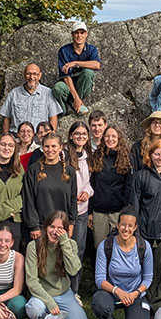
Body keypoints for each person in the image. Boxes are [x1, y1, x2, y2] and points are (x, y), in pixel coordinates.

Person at [24, 210, 91, 319]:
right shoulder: (34, 246)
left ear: (65, 230)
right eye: (52, 227)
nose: (55, 232)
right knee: (34, 308)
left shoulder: (70, 244)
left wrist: (64, 242)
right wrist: (49, 302)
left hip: (63, 293)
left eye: (60, 228)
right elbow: (31, 281)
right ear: (46, 227)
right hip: (42, 294)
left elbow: (73, 270)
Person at [91, 211, 153, 319]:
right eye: (123, 224)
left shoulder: (144, 246)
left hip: (135, 294)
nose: (126, 229)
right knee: (100, 303)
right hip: (111, 292)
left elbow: (148, 278)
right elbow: (100, 279)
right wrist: (118, 291)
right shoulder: (106, 245)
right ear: (118, 225)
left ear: (135, 227)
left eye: (130, 226)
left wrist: (135, 293)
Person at [23, 132, 77, 240]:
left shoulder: (69, 172)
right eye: (46, 146)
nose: (50, 150)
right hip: (41, 227)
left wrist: (71, 223)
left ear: (60, 147)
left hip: (63, 227)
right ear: (42, 148)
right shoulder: (33, 171)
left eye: (54, 146)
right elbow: (28, 200)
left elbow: (73, 199)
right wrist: (34, 226)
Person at [129, 139, 161, 246]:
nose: (160, 158)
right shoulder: (141, 176)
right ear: (150, 154)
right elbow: (134, 203)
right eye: (157, 154)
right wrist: (136, 226)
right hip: (146, 228)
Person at [89, 124, 133, 248]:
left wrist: (126, 210)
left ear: (119, 138)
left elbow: (128, 187)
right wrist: (90, 212)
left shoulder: (127, 158)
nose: (110, 139)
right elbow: (92, 185)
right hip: (99, 211)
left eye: (114, 136)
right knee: (99, 246)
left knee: (119, 246)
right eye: (107, 136)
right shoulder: (96, 157)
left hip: (118, 211)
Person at [66, 121, 96, 291]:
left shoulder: (87, 156)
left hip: (82, 211)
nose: (80, 137)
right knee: (64, 250)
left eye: (84, 134)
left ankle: (74, 290)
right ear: (71, 135)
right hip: (65, 210)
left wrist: (87, 192)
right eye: (77, 134)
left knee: (78, 250)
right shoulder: (63, 154)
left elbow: (89, 183)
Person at [52, 20, 101, 116]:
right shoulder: (64, 50)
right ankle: (65, 110)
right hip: (69, 85)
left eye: (82, 33)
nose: (79, 36)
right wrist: (75, 97)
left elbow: (96, 65)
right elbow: (66, 76)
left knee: (88, 72)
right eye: (76, 33)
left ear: (86, 34)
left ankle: (78, 103)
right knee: (57, 88)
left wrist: (75, 63)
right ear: (72, 34)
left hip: (83, 86)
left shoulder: (91, 49)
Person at [0, 63, 61, 135]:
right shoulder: (14, 93)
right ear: (24, 75)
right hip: (17, 136)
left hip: (38, 137)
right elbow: (6, 118)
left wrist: (50, 137)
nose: (31, 77)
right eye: (29, 74)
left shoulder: (48, 93)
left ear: (40, 75)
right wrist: (6, 137)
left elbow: (53, 118)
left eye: (35, 74)